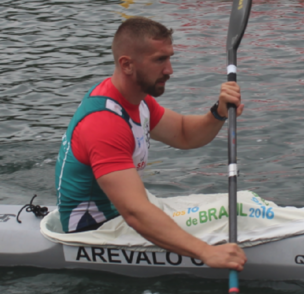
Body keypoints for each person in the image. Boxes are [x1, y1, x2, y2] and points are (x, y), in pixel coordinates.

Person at [55, 17, 246, 271]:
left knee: (239, 206)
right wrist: (205, 253)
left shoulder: (138, 101)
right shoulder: (104, 123)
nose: (169, 70)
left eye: (169, 58)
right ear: (127, 65)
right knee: (238, 214)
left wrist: (218, 112)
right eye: (159, 60)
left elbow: (184, 133)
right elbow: (135, 213)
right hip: (96, 231)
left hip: (125, 215)